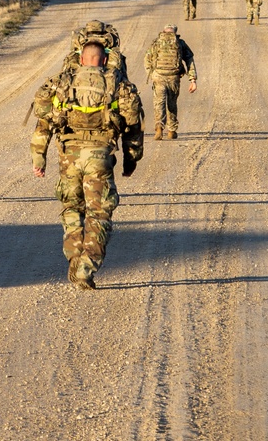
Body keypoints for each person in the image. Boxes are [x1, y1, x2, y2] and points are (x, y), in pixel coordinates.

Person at [30, 22, 144, 290]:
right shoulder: (117, 83)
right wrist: (130, 159)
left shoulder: (62, 83)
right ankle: (85, 268)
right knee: (99, 213)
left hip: (68, 155)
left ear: (80, 58)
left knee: (71, 209)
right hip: (99, 157)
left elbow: (43, 123)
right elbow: (133, 125)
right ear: (104, 59)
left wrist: (39, 159)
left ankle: (74, 256)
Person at [144, 23, 197, 140]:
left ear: (163, 32)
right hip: (174, 78)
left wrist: (152, 74)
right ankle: (172, 130)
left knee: (159, 103)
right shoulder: (180, 43)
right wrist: (192, 79)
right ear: (175, 33)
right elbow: (189, 60)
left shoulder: (156, 43)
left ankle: (159, 127)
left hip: (159, 76)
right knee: (172, 104)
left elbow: (147, 59)